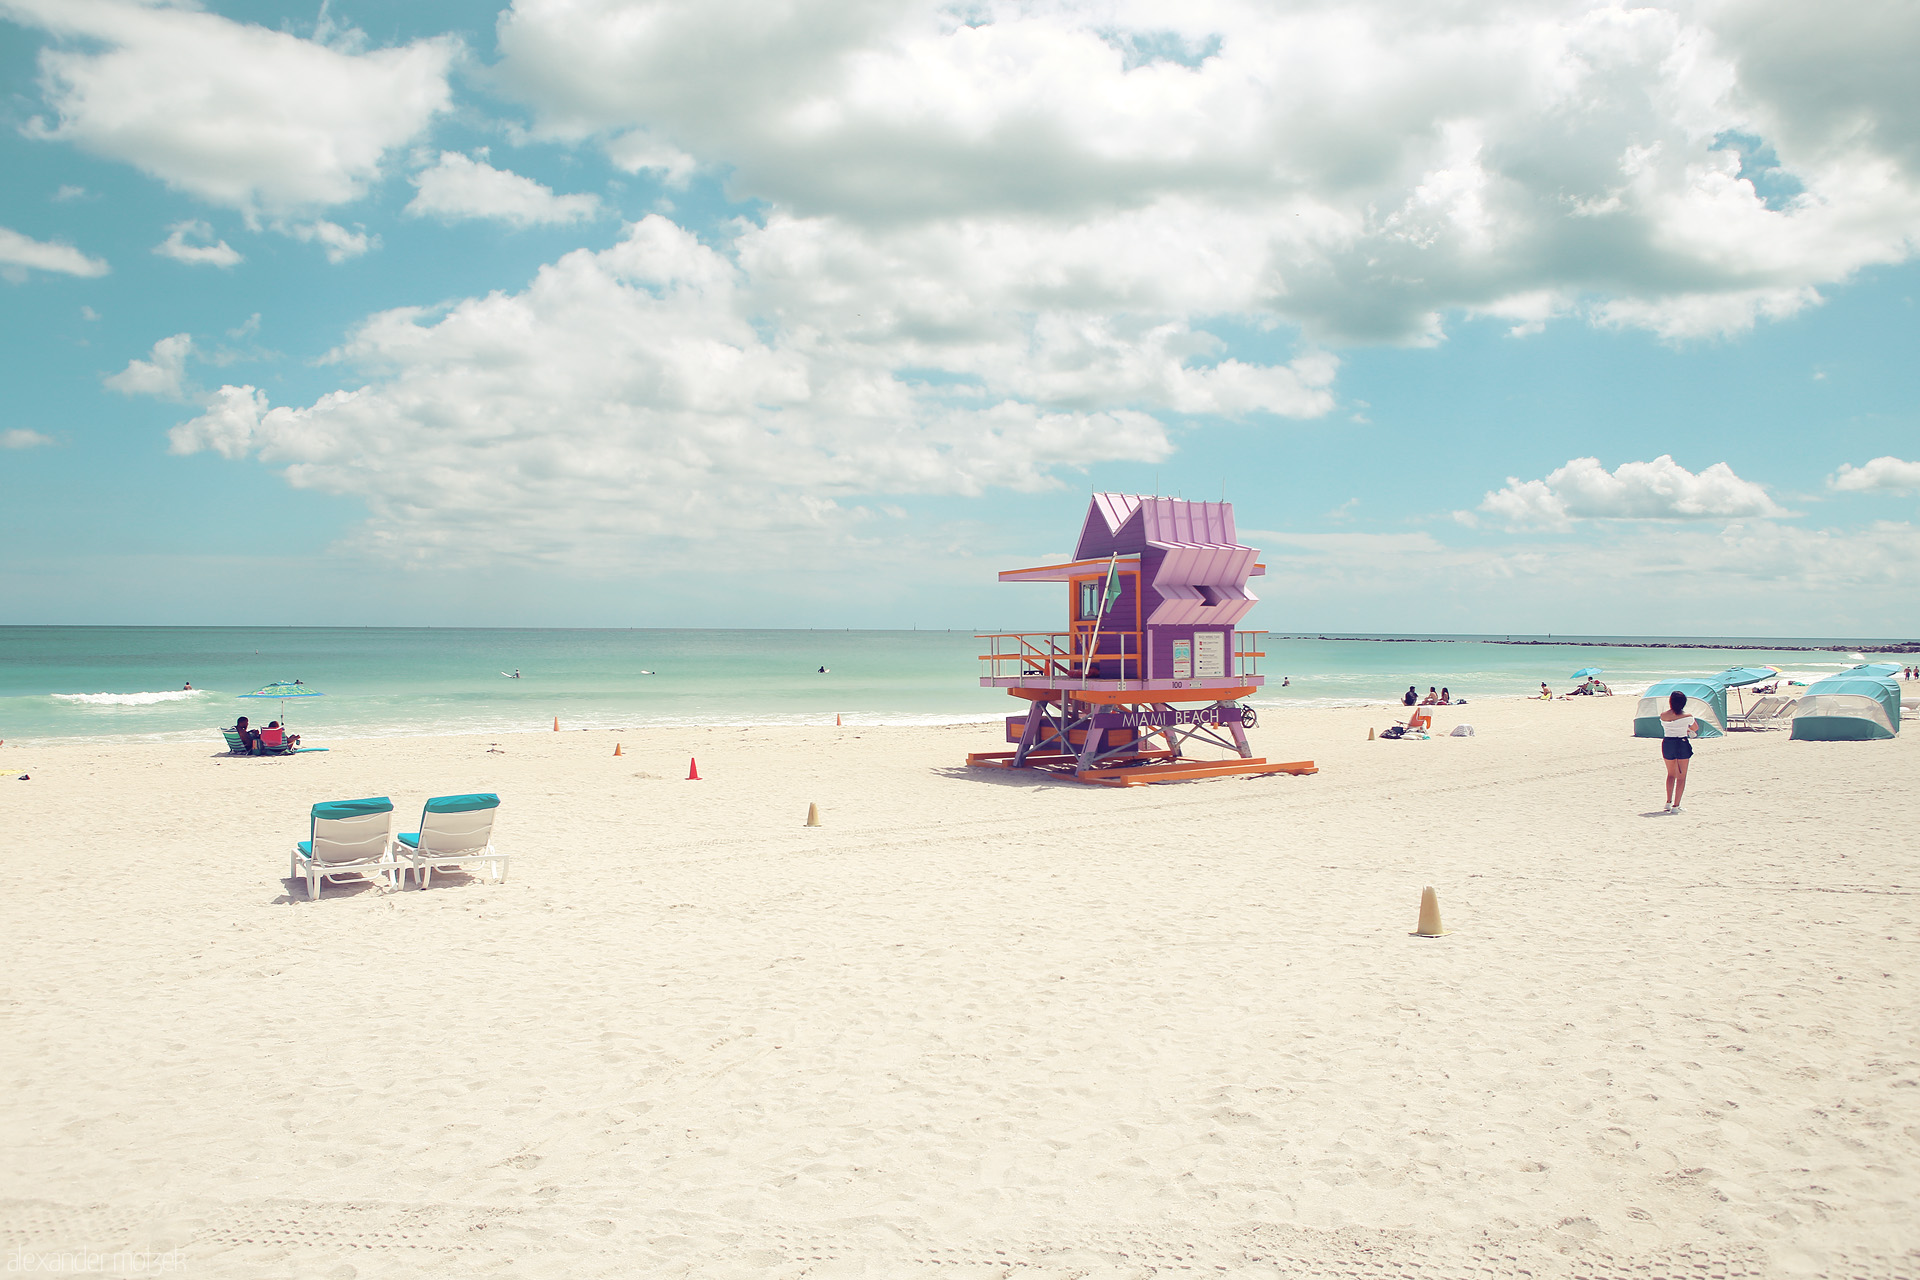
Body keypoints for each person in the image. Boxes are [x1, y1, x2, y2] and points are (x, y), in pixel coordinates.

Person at [1659, 689, 1699, 812]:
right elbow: (1695, 728)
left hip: (1668, 743)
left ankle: (1668, 802)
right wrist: (1686, 729)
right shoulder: (1687, 716)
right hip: (1681, 743)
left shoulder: (1663, 715)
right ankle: (1676, 805)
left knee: (1671, 774)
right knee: (1681, 776)